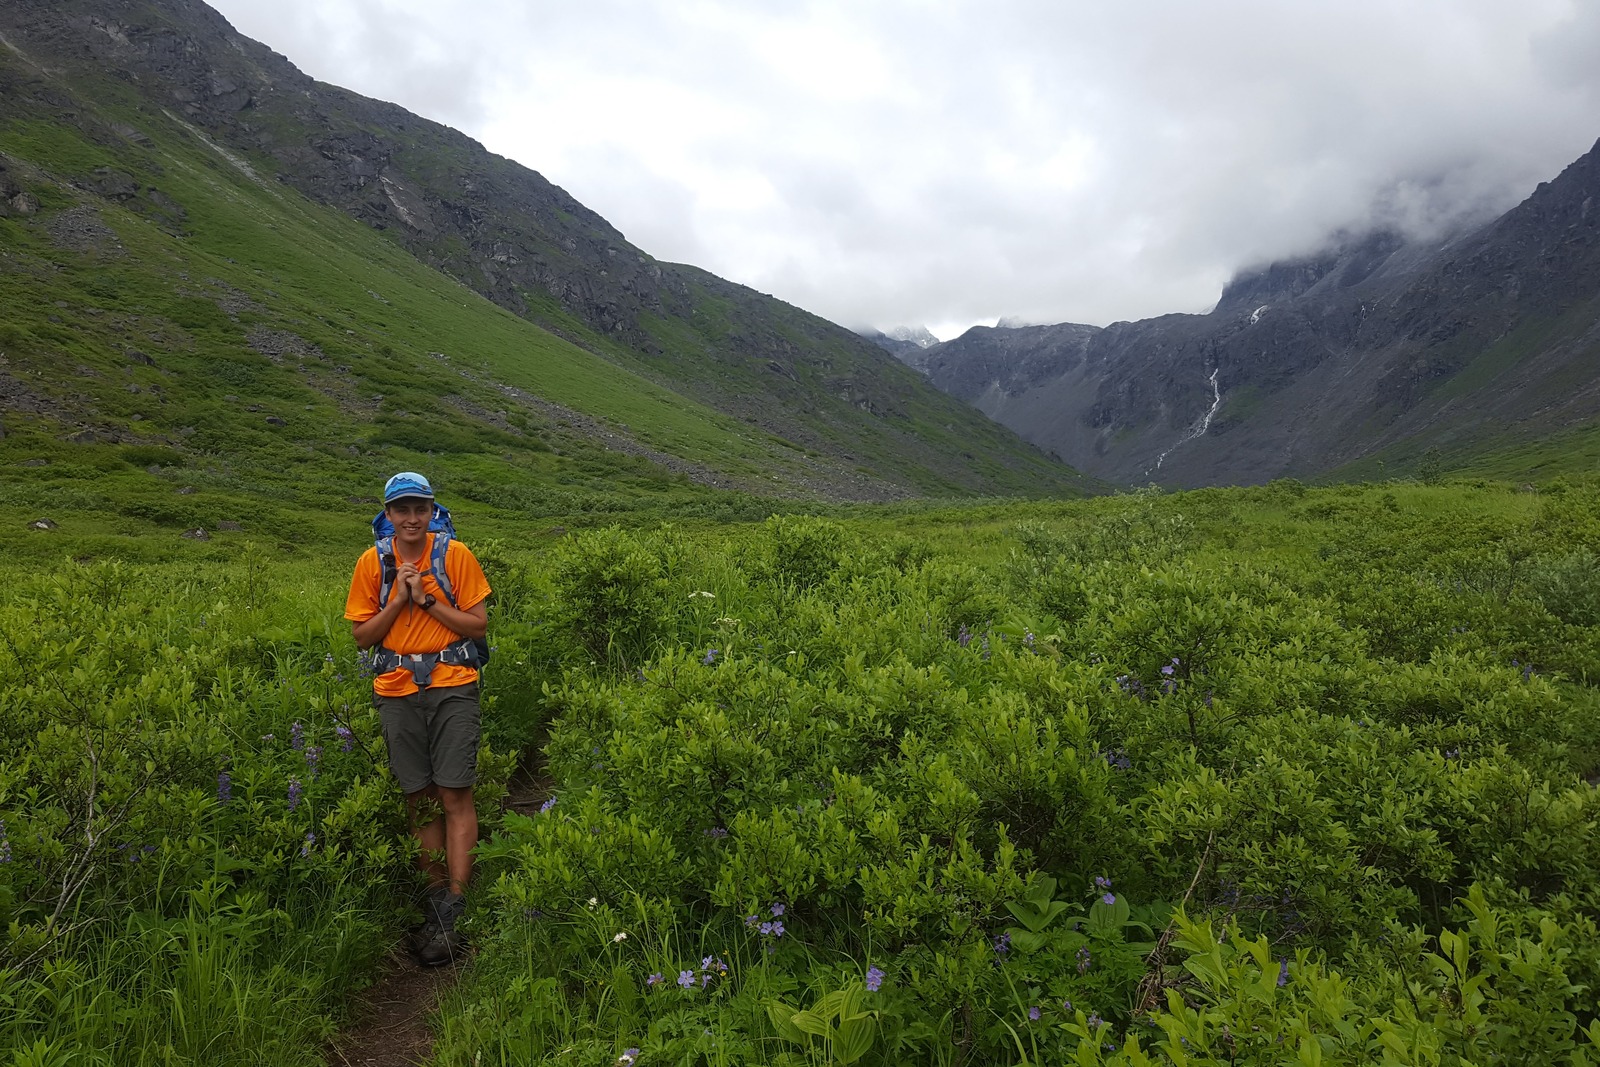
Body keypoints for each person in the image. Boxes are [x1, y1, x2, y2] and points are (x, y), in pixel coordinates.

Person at [345, 471, 491, 966]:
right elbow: (364, 636)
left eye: (420, 508)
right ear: (387, 515)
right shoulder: (371, 563)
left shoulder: (455, 556)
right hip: (396, 689)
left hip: (453, 684)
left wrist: (427, 598)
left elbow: (477, 623)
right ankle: (435, 901)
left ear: (431, 512)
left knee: (454, 792)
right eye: (401, 509)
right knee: (419, 798)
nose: (411, 518)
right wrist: (400, 599)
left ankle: (455, 903)